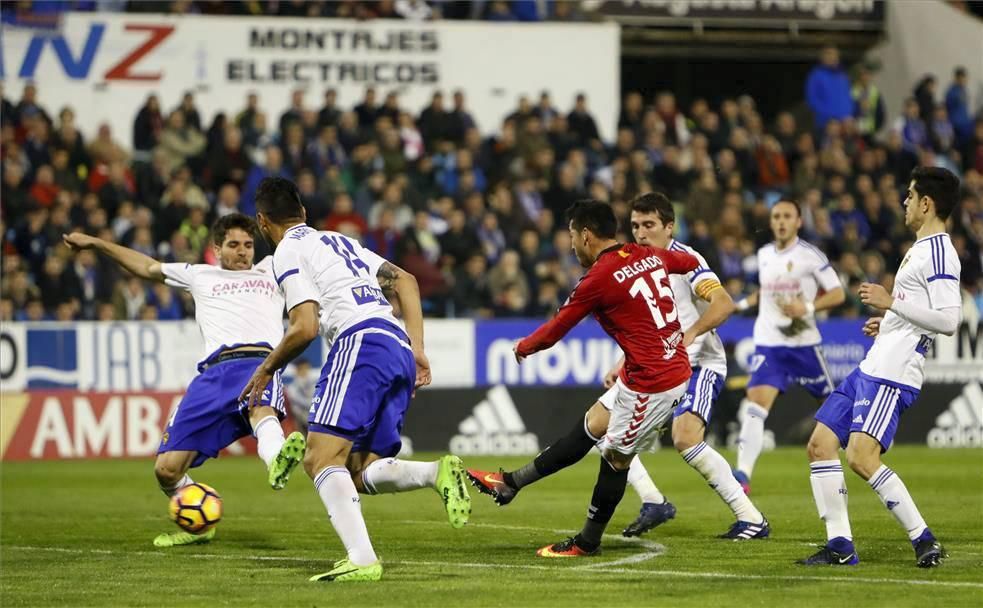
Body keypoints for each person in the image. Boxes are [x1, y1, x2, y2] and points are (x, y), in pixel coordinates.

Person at [240, 177, 470, 583]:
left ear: (262, 222)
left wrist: (266, 368)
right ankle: (436, 473)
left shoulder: (287, 252)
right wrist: (417, 347)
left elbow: (305, 326)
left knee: (319, 458)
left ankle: (362, 559)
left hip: (359, 342)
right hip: (395, 342)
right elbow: (406, 282)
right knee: (359, 468)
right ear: (304, 213)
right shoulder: (339, 240)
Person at [470, 200, 700, 557]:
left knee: (615, 459)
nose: (572, 244)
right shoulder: (647, 253)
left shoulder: (599, 277)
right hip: (656, 367)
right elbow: (688, 261)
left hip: (654, 382)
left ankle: (587, 542)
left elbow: (556, 328)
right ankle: (510, 483)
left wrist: (524, 347)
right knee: (591, 426)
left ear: (587, 235)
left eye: (572, 236)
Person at [63, 214, 305, 548]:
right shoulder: (200, 275)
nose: (243, 252)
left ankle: (277, 457)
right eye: (234, 245)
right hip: (213, 373)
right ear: (216, 249)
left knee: (259, 408)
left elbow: (313, 254)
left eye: (248, 245)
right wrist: (96, 243)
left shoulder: (272, 269)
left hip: (260, 361)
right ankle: (200, 525)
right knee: (166, 470)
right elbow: (146, 267)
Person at [800, 167, 960, 568]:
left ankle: (924, 539)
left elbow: (949, 320)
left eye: (909, 195)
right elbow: (918, 311)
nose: (904, 202)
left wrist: (892, 305)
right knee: (820, 443)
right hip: (874, 363)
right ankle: (840, 546)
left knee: (861, 456)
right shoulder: (919, 248)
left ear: (927, 203)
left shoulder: (940, 252)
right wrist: (889, 322)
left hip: (894, 371)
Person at [607, 193, 770, 539]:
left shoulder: (686, 259)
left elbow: (723, 303)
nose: (640, 233)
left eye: (649, 225)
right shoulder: (637, 265)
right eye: (635, 226)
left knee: (685, 437)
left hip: (699, 364)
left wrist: (691, 332)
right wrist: (623, 360)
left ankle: (751, 518)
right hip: (658, 368)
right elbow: (644, 324)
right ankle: (653, 500)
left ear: (670, 227)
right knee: (604, 430)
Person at [732, 201, 845, 493]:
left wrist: (806, 307)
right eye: (776, 217)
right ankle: (743, 475)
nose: (781, 222)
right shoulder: (764, 254)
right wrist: (740, 304)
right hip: (770, 343)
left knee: (831, 406)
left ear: (798, 221)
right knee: (756, 401)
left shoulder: (810, 256)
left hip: (804, 344)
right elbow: (766, 291)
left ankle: (860, 444)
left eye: (787, 217)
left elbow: (837, 293)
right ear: (771, 222)